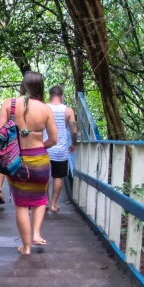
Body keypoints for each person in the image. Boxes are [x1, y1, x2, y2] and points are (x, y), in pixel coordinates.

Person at [0, 71, 57, 254]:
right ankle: (36, 233)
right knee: (40, 199)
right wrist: (40, 146)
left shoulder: (9, 104)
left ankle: (26, 247)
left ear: (23, 85)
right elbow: (54, 139)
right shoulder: (46, 109)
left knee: (21, 204)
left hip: (17, 161)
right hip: (41, 160)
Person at [46, 85, 78, 213]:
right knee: (58, 177)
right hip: (60, 150)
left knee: (45, 177)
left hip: (46, 147)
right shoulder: (68, 110)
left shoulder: (44, 108)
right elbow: (74, 131)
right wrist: (74, 143)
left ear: (50, 95)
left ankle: (46, 202)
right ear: (62, 96)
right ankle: (54, 204)